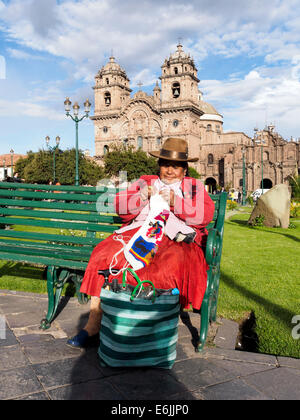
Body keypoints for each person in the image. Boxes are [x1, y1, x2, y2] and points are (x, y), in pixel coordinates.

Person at [67, 138, 215, 348]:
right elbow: (120, 207)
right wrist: (142, 196)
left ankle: (149, 332)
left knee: (164, 267)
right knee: (103, 254)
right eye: (165, 165)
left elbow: (205, 215)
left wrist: (176, 202)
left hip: (176, 239)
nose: (169, 171)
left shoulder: (194, 187)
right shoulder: (145, 181)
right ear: (159, 166)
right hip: (138, 232)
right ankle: (93, 325)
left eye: (175, 166)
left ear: (184, 169)